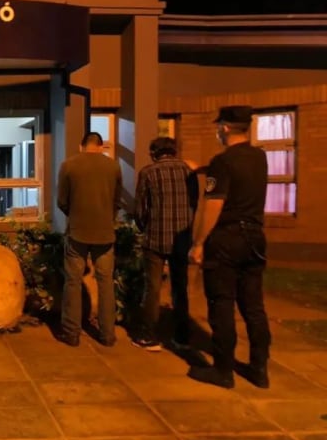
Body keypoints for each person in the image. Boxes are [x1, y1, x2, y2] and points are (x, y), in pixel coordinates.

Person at [188, 105, 272, 389]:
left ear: (224, 127)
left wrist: (199, 242)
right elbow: (238, 175)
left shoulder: (222, 162)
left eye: (218, 126)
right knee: (253, 307)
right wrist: (203, 168)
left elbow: (214, 204)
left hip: (226, 240)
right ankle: (259, 369)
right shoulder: (260, 157)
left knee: (221, 303)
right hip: (255, 239)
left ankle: (223, 370)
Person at [57, 132, 123, 346]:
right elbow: (116, 199)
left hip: (77, 231)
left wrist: (74, 214)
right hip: (105, 232)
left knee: (73, 281)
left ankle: (71, 333)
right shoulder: (113, 166)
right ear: (101, 146)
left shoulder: (69, 165)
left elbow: (62, 201)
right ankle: (107, 335)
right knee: (105, 282)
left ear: (81, 145)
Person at [133, 137, 198, 352]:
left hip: (156, 239)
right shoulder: (189, 172)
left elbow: (141, 208)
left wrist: (143, 227)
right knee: (180, 288)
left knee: (152, 288)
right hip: (182, 239)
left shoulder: (149, 173)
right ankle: (182, 336)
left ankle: (149, 335)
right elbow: (195, 204)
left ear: (154, 153)